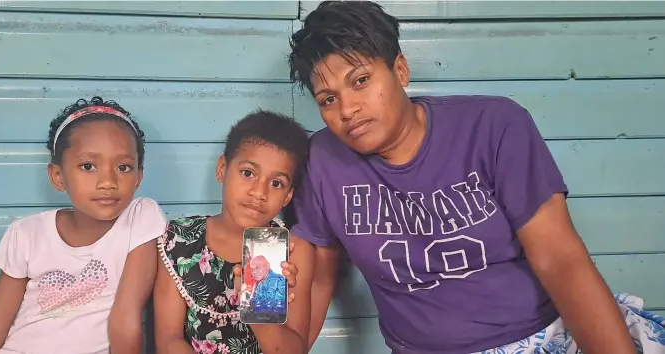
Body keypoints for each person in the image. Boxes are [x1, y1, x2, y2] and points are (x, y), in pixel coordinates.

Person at [286, 1, 665, 353]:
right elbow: (315, 280)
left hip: (542, 338)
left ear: (400, 70)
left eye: (360, 81)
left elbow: (561, 259)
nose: (348, 109)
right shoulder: (322, 162)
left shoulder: (494, 127)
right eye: (328, 99)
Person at [0, 97, 168, 354]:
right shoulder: (27, 233)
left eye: (124, 167)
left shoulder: (141, 217)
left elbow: (126, 320)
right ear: (58, 176)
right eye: (88, 166)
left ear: (138, 177)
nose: (108, 182)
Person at [153, 110, 312, 354]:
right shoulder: (178, 239)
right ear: (222, 169)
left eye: (276, 183)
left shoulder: (294, 252)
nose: (259, 192)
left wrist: (258, 303)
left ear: (288, 196)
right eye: (248, 173)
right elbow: (168, 340)